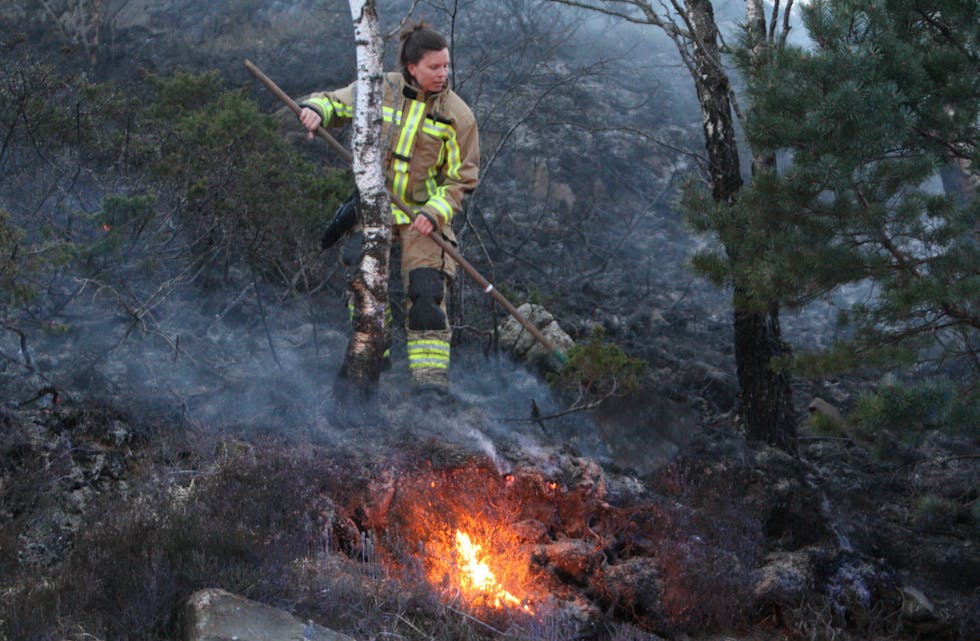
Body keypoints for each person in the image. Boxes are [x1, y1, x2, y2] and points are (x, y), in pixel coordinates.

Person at [298, 21, 480, 396]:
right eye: (435, 67)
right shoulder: (379, 87)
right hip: (374, 210)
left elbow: (461, 179)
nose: (443, 74)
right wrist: (316, 109)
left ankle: (429, 386)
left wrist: (433, 213)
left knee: (427, 293)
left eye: (446, 66)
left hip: (422, 219)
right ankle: (373, 356)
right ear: (411, 67)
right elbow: (335, 101)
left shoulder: (458, 116)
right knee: (364, 286)